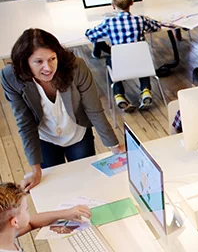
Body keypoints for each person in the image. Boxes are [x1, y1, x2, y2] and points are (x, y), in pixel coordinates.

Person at [1, 29, 123, 191]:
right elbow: (25, 123)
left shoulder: (76, 67)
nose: (48, 67)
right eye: (38, 61)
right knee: (55, 188)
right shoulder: (10, 77)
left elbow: (94, 110)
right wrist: (35, 169)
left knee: (86, 183)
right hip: (44, 138)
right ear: (25, 62)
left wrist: (113, 146)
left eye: (52, 58)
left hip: (78, 134)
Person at [85, 0, 162, 112]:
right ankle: (145, 91)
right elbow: (157, 26)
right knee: (141, 56)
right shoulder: (140, 20)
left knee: (111, 59)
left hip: (120, 65)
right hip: (141, 65)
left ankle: (119, 95)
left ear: (113, 5)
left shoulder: (109, 23)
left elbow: (91, 35)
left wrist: (88, 30)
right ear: (132, 3)